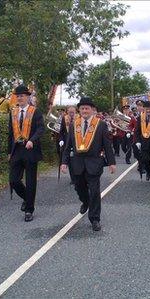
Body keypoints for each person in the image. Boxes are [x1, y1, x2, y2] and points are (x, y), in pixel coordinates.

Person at [60, 97, 116, 231]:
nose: (85, 110)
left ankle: (95, 219)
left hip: (94, 162)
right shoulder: (74, 124)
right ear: (79, 110)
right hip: (77, 163)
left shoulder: (100, 124)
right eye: (82, 108)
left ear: (92, 110)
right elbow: (68, 145)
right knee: (79, 188)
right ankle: (85, 201)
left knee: (95, 191)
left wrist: (112, 162)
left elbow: (107, 145)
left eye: (87, 108)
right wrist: (64, 162)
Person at [8, 84, 45, 222]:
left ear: (28, 97)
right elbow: (10, 134)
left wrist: (32, 140)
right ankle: (26, 197)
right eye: (18, 96)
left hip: (30, 150)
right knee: (14, 180)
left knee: (30, 182)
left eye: (22, 95)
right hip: (17, 150)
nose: (20, 98)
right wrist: (8, 152)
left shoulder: (35, 111)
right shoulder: (13, 112)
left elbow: (41, 129)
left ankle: (29, 209)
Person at [59, 105, 77, 184]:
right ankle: (73, 179)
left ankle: (79, 177)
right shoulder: (64, 118)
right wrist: (61, 140)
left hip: (77, 143)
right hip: (67, 143)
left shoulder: (79, 118)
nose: (71, 114)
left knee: (76, 160)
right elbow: (61, 131)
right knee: (69, 161)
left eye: (73, 112)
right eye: (70, 112)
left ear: (75, 111)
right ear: (67, 112)